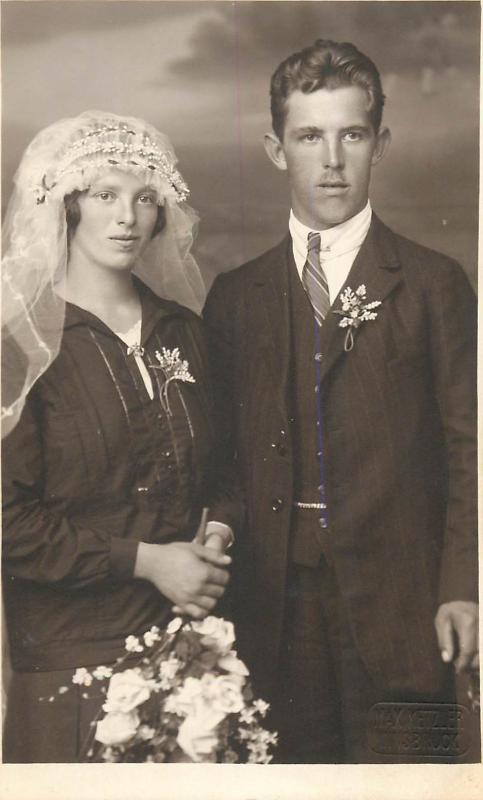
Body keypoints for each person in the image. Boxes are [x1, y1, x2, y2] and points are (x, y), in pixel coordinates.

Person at [204, 40, 478, 763]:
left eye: (351, 134)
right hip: (272, 616)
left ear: (378, 143)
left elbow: (468, 448)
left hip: (406, 614)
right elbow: (222, 463)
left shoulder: (432, 283)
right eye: (308, 137)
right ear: (274, 149)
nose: (331, 160)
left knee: (415, 779)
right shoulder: (235, 298)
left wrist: (463, 589)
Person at [1, 111, 242, 763]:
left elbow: (228, 473)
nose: (126, 217)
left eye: (144, 198)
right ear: (66, 205)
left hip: (189, 650)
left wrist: (214, 537)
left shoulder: (183, 332)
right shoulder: (19, 347)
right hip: (69, 662)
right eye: (104, 195)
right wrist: (149, 562)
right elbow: (8, 525)